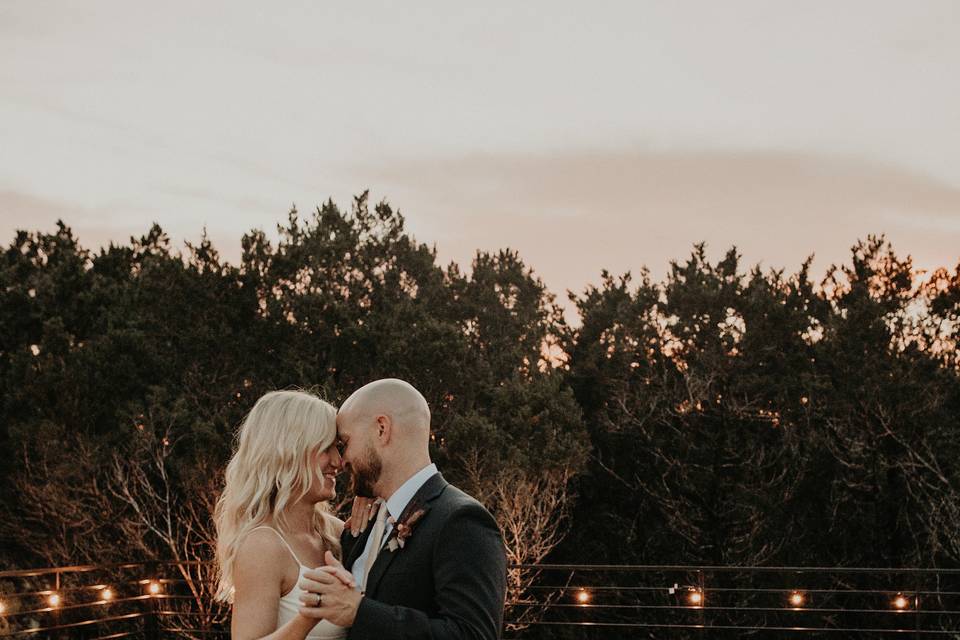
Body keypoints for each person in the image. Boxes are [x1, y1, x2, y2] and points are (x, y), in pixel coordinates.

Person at [297, 378, 507, 640]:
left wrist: (359, 612)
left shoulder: (461, 520)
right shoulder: (366, 525)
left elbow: (474, 635)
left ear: (382, 429)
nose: (342, 461)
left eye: (345, 443)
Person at [214, 390, 350, 640]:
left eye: (337, 447)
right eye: (325, 447)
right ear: (288, 451)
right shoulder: (263, 545)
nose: (338, 461)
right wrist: (307, 619)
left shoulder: (338, 531)